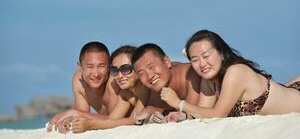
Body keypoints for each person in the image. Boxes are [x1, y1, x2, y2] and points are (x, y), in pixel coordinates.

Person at [161, 29, 300, 119]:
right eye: (195, 59)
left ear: (222, 54)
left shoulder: (236, 72)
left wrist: (178, 103)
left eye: (206, 55)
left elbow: (217, 114)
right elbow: (204, 113)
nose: (202, 64)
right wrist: (183, 116)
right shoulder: (209, 81)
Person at [70, 45, 151, 133]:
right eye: (115, 70)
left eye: (126, 69)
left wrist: (90, 124)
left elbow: (133, 120)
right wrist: (78, 121)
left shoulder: (145, 87)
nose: (120, 76)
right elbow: (112, 120)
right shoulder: (125, 93)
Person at [47, 42, 119, 133]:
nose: (96, 74)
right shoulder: (78, 80)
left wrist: (74, 113)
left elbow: (115, 119)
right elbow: (82, 114)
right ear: (80, 66)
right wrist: (70, 119)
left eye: (101, 66)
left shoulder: (114, 81)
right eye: (90, 66)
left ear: (109, 66)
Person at [131, 43, 206, 123]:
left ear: (167, 62)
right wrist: (150, 111)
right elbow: (137, 118)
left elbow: (192, 113)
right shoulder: (148, 89)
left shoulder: (190, 74)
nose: (149, 76)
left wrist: (153, 110)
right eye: (141, 73)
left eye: (151, 67)